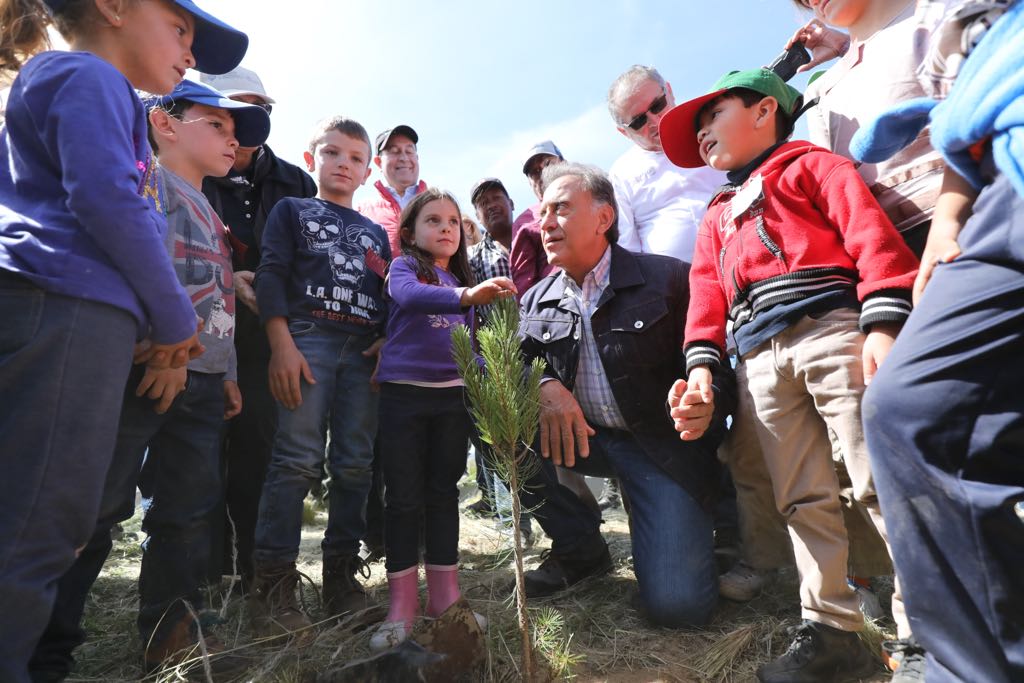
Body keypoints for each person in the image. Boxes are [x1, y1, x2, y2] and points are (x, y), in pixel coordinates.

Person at [0, 2, 246, 681]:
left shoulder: (72, 83)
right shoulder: (92, 79)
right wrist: (174, 324)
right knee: (37, 529)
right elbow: (107, 200)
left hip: (80, 319)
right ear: (113, 7)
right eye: (180, 31)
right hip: (69, 314)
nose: (189, 53)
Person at [659, 67, 919, 682]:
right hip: (756, 361)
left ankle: (926, 633)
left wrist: (882, 322)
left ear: (764, 112)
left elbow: (871, 236)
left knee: (877, 478)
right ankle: (833, 629)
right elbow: (705, 295)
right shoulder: (716, 213)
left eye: (712, 115)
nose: (701, 134)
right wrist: (702, 366)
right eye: (696, 129)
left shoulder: (816, 167)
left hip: (831, 329)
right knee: (799, 495)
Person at [852, 3, 1021, 681]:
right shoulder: (963, 30)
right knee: (908, 409)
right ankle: (959, 662)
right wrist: (949, 222)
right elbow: (964, 129)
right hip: (993, 199)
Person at [516, 162, 735, 628]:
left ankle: (712, 515)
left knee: (679, 608)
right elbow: (517, 360)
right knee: (489, 417)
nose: (546, 223)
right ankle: (581, 548)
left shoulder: (670, 279)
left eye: (561, 209)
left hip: (658, 447)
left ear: (604, 217)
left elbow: (716, 364)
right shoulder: (534, 300)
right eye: (541, 213)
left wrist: (707, 404)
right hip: (584, 441)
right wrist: (544, 385)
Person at [249, 116, 390, 642]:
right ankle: (274, 586)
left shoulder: (375, 233)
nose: (343, 164)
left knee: (355, 463)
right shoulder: (293, 210)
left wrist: (387, 338)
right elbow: (270, 271)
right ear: (312, 160)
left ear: (367, 170)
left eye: (355, 158)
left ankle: (340, 581)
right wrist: (280, 342)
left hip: (362, 352)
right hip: (307, 338)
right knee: (296, 459)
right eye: (332, 153)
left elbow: (388, 293)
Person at [370, 188, 515, 651]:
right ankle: (403, 605)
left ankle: (446, 601)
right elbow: (409, 298)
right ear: (410, 233)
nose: (447, 228)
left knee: (443, 493)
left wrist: (496, 374)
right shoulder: (405, 269)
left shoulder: (462, 285)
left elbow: (469, 349)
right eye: (434, 220)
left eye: (453, 221)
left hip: (452, 401)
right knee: (403, 498)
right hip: (403, 398)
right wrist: (468, 294)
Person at [199, 65, 318, 591]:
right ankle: (202, 578)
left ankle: (255, 574)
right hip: (197, 334)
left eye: (256, 111)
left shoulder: (297, 182)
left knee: (259, 452)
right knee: (197, 455)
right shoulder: (183, 167)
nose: (244, 124)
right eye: (230, 111)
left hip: (269, 340)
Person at [788, 0, 945, 258]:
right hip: (884, 252)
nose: (812, 1)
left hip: (971, 209)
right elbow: (836, 188)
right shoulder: (820, 90)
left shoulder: (940, 13)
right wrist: (848, 48)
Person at [606, 65, 725, 265]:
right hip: (675, 287)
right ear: (624, 132)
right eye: (638, 121)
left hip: (743, 259)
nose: (654, 120)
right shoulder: (621, 173)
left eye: (658, 105)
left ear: (669, 91)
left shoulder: (716, 130)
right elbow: (628, 248)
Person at [357, 124, 428, 257]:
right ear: (378, 162)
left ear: (417, 159)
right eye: (394, 151)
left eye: (409, 151)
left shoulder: (440, 204)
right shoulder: (362, 212)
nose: (403, 158)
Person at [509, 140, 564, 297]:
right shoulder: (524, 223)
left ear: (564, 163)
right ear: (529, 182)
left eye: (547, 164)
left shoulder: (590, 197)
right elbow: (524, 285)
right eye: (534, 171)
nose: (542, 173)